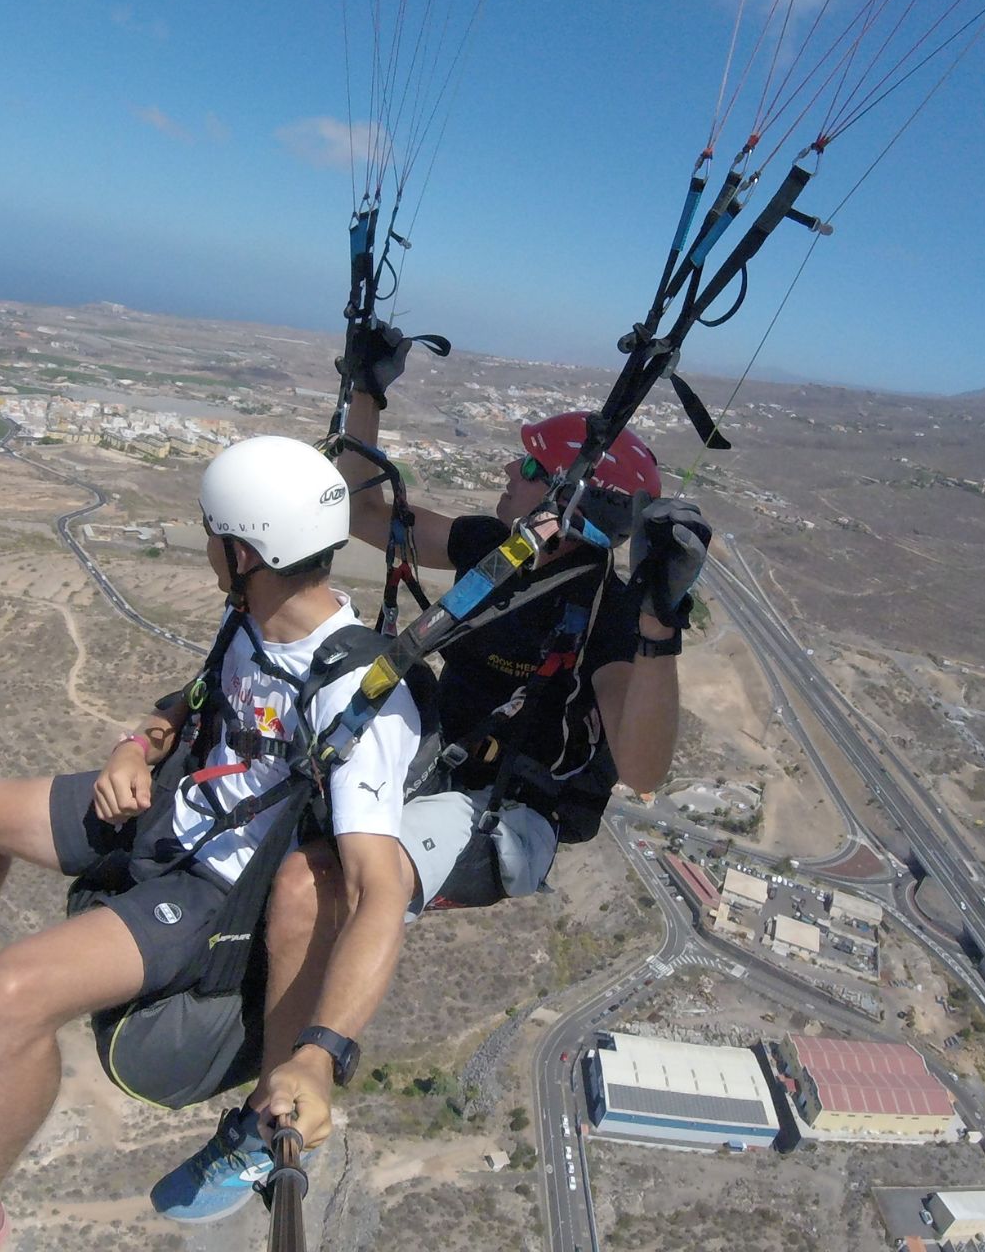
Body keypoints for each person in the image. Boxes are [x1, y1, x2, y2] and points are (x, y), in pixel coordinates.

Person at [152, 326, 710, 1221]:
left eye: (528, 469)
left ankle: (274, 1116)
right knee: (264, 807)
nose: (509, 475)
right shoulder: (506, 547)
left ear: (577, 499)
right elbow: (373, 518)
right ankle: (225, 1001)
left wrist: (660, 618)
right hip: (431, 767)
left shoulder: (607, 612)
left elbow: (641, 768)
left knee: (311, 882)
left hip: (505, 815)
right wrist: (365, 388)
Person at [0, 436, 422, 1252]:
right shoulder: (255, 617)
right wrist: (138, 743)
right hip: (167, 806)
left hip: (211, 886)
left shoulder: (362, 693)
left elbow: (382, 888)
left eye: (213, 535)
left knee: (17, 995)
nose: (206, 549)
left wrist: (319, 1054)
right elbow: (202, 698)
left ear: (243, 551)